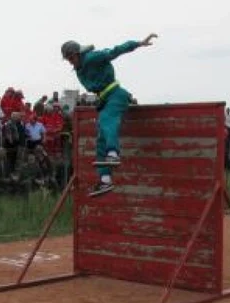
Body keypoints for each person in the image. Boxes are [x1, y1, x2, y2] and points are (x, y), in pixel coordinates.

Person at [60, 33, 158, 197]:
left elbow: (114, 51)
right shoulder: (79, 70)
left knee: (107, 121)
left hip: (116, 95)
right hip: (104, 99)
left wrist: (138, 43)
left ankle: (113, 153)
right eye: (68, 59)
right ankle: (105, 180)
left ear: (77, 54)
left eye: (71, 57)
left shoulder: (92, 57)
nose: (70, 61)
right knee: (101, 139)